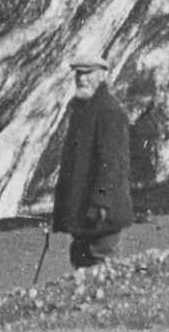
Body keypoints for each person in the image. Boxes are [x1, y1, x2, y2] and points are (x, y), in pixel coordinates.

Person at [50, 54, 136, 270]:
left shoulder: (109, 111)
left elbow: (113, 163)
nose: (82, 79)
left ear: (101, 76)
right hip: (85, 214)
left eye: (87, 73)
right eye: (79, 74)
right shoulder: (82, 110)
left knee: (102, 265)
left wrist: (100, 202)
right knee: (84, 265)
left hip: (99, 215)